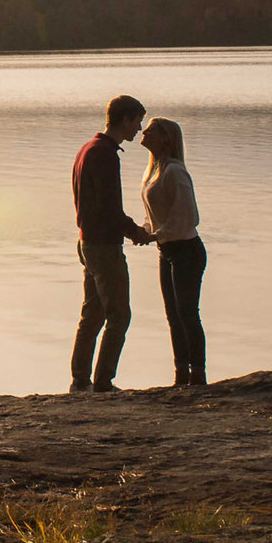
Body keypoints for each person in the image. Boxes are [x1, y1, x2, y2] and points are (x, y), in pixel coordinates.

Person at [69, 94, 155, 393]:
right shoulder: (104, 154)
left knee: (92, 314)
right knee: (119, 315)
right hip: (103, 246)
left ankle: (81, 379)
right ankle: (104, 382)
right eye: (137, 121)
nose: (139, 128)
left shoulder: (87, 149)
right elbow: (109, 208)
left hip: (86, 242)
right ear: (124, 119)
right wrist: (136, 233)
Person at [138, 117, 209, 385]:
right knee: (173, 315)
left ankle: (197, 373)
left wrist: (156, 235)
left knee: (187, 313)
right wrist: (145, 229)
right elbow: (156, 215)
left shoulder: (175, 172)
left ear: (166, 138)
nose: (144, 132)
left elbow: (188, 217)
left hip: (186, 250)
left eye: (151, 130)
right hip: (166, 250)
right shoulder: (154, 170)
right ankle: (180, 372)